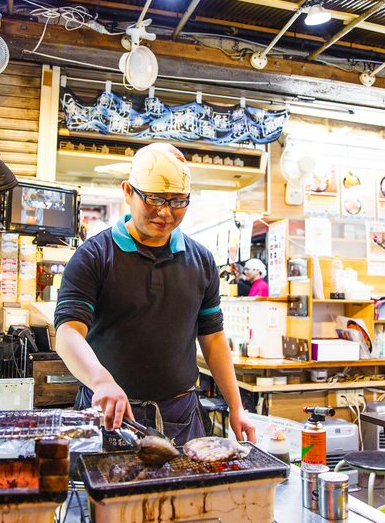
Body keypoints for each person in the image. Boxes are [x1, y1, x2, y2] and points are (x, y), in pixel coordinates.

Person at [54, 143, 256, 448]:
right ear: (127, 192)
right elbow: (68, 333)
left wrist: (237, 406)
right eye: (154, 199)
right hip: (110, 415)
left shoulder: (201, 260)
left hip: (181, 417)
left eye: (178, 201)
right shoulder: (94, 256)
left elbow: (213, 339)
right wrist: (101, 381)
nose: (165, 212)